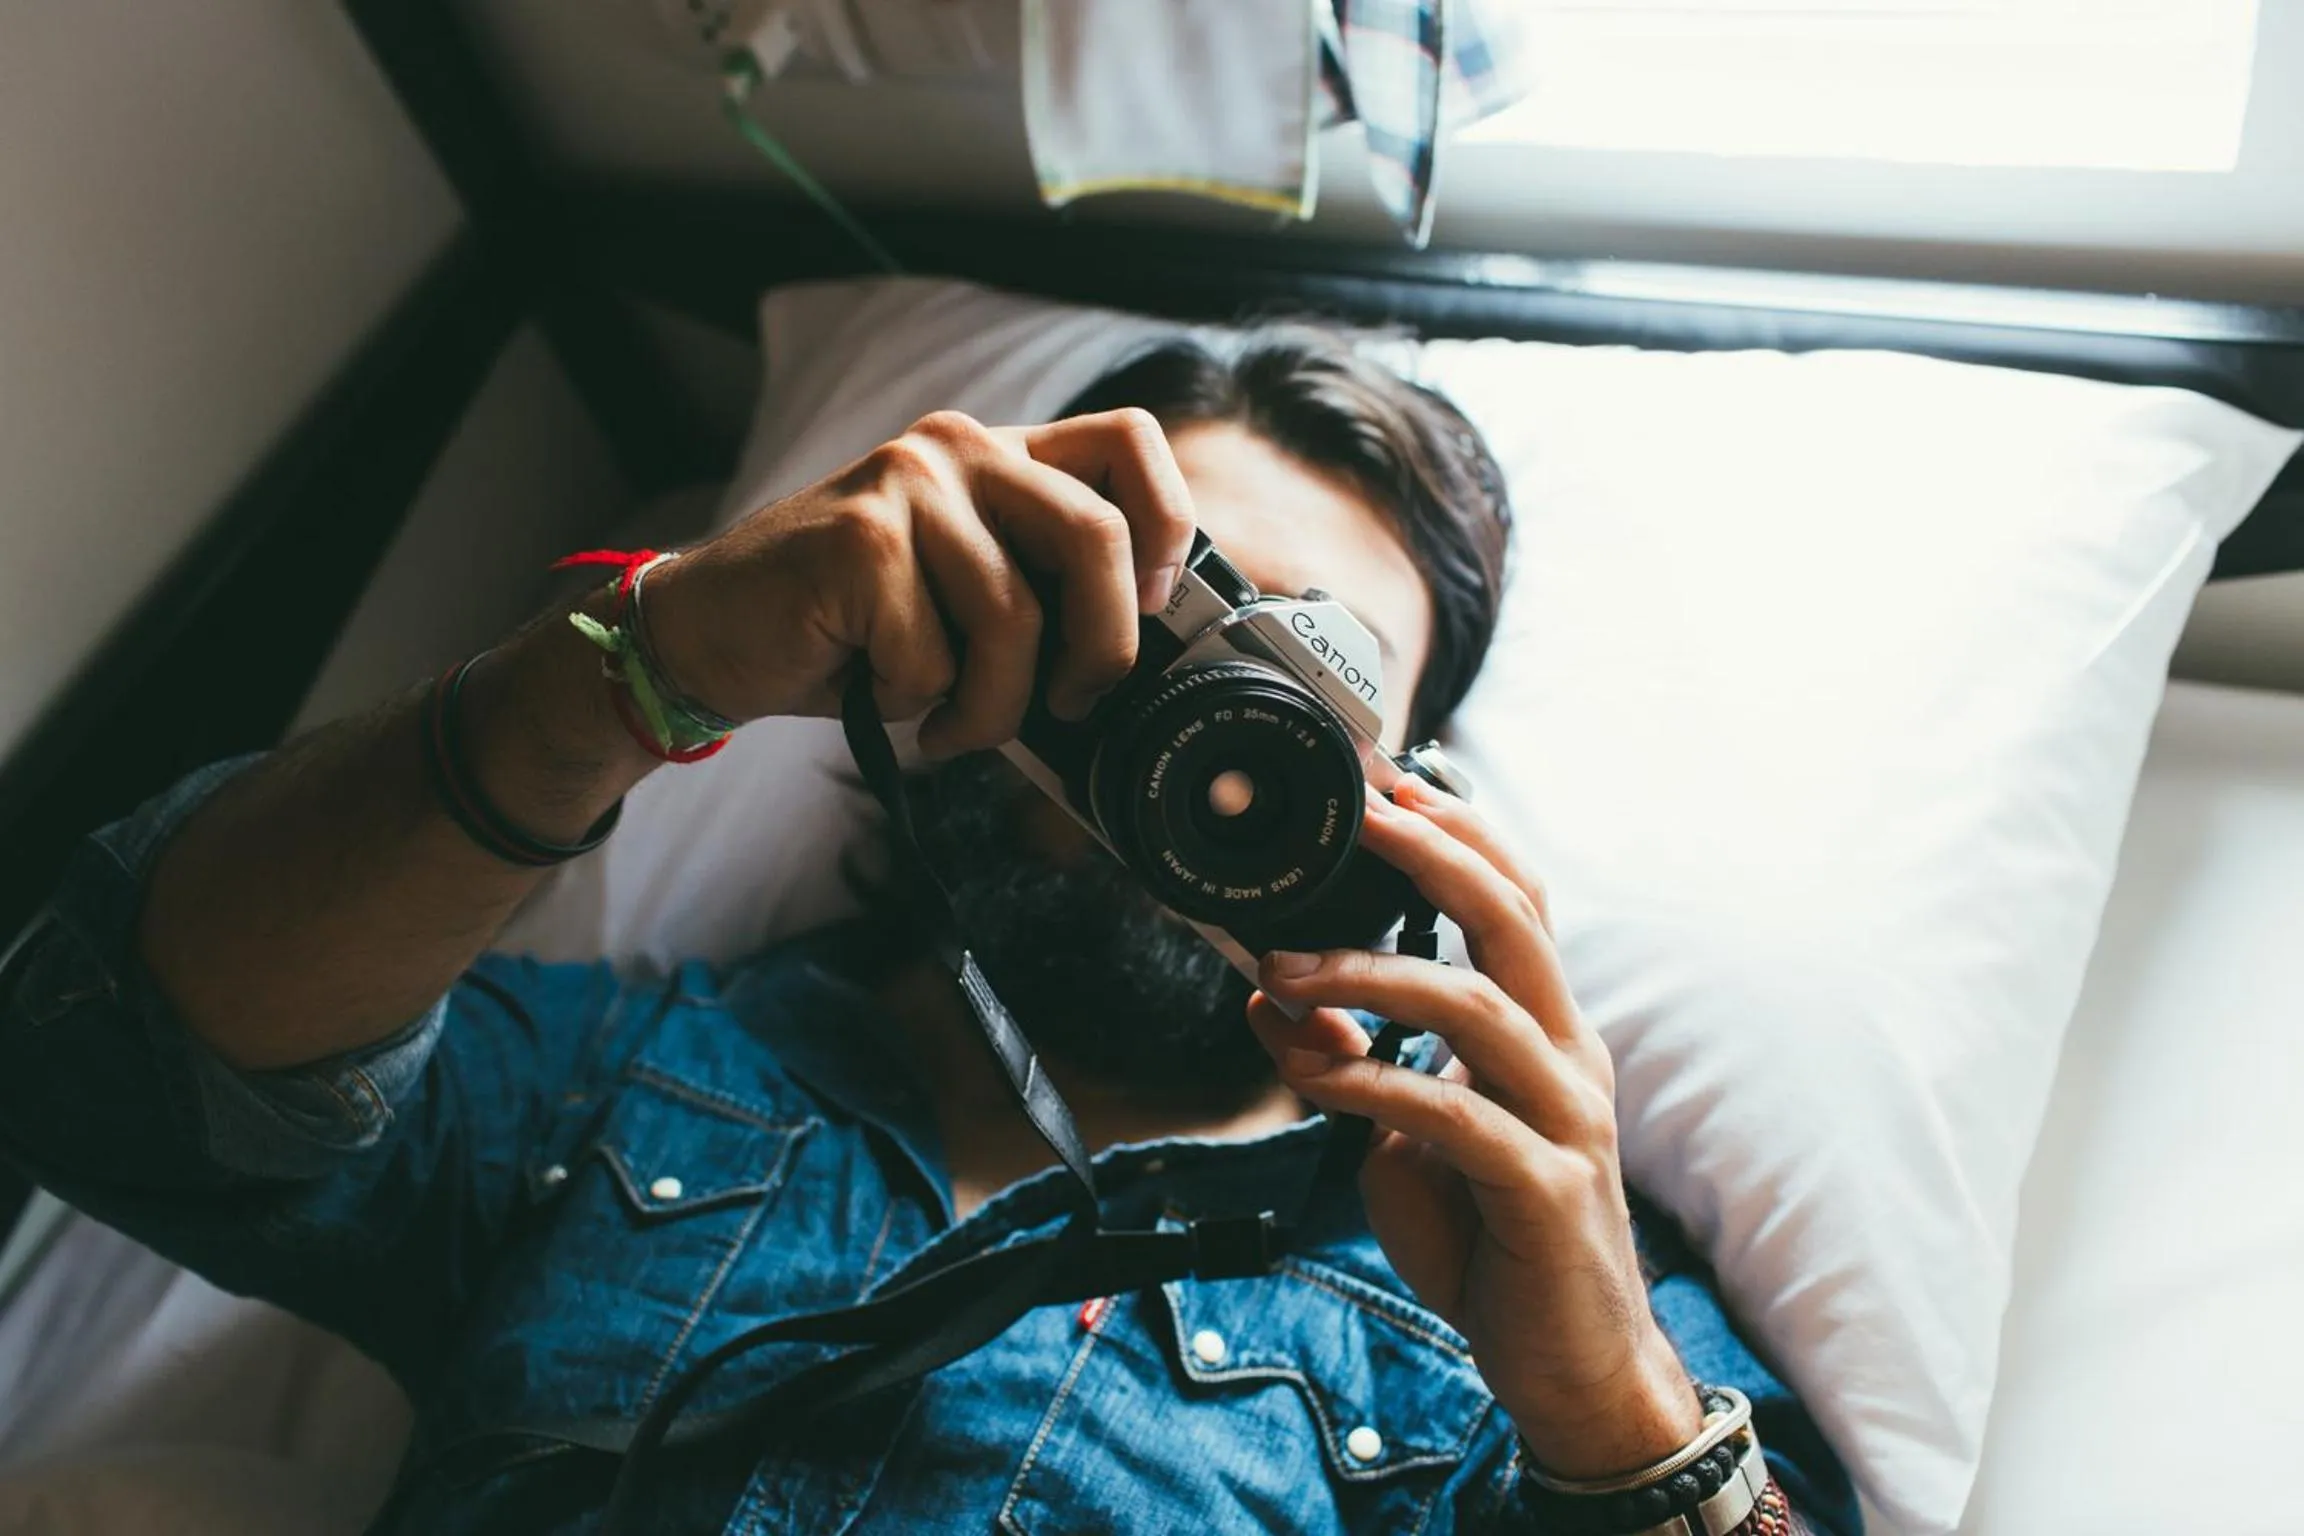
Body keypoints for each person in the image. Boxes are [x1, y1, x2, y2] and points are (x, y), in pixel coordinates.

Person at [0, 331, 1857, 1535]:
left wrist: (1622, 1425)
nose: (1206, 742)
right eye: (1151, 631)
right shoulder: (638, 1080)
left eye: (1306, 679)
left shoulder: (1509, 1285)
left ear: (1408, 789)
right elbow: (108, 1067)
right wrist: (645, 666)